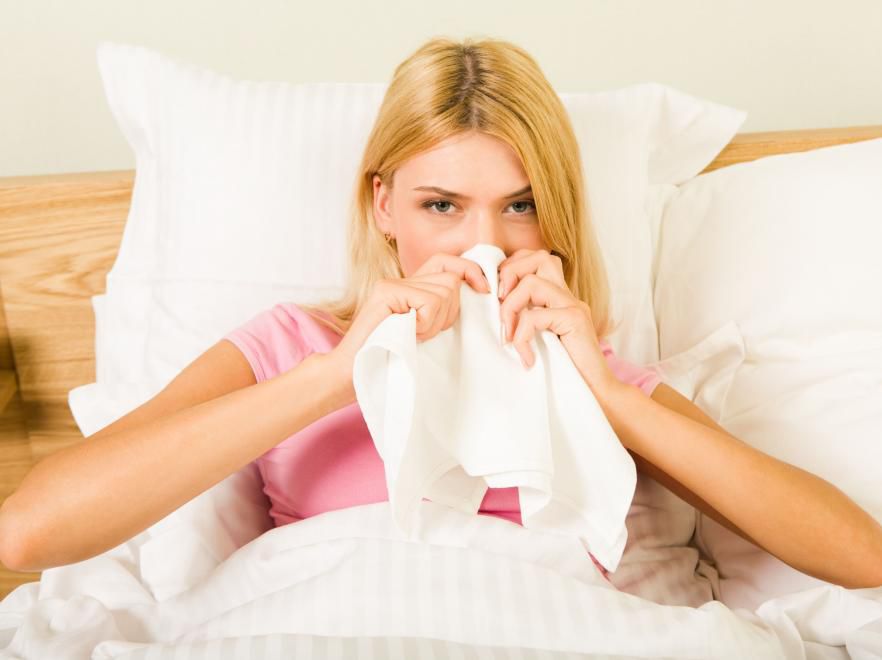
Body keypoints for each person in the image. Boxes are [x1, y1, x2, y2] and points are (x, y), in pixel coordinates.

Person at [2, 37, 880, 591]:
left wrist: (612, 401)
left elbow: (860, 556)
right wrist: (336, 375)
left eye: (520, 206)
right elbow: (29, 533)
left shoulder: (587, 372)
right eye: (441, 206)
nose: (482, 243)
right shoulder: (292, 347)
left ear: (556, 219)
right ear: (383, 205)